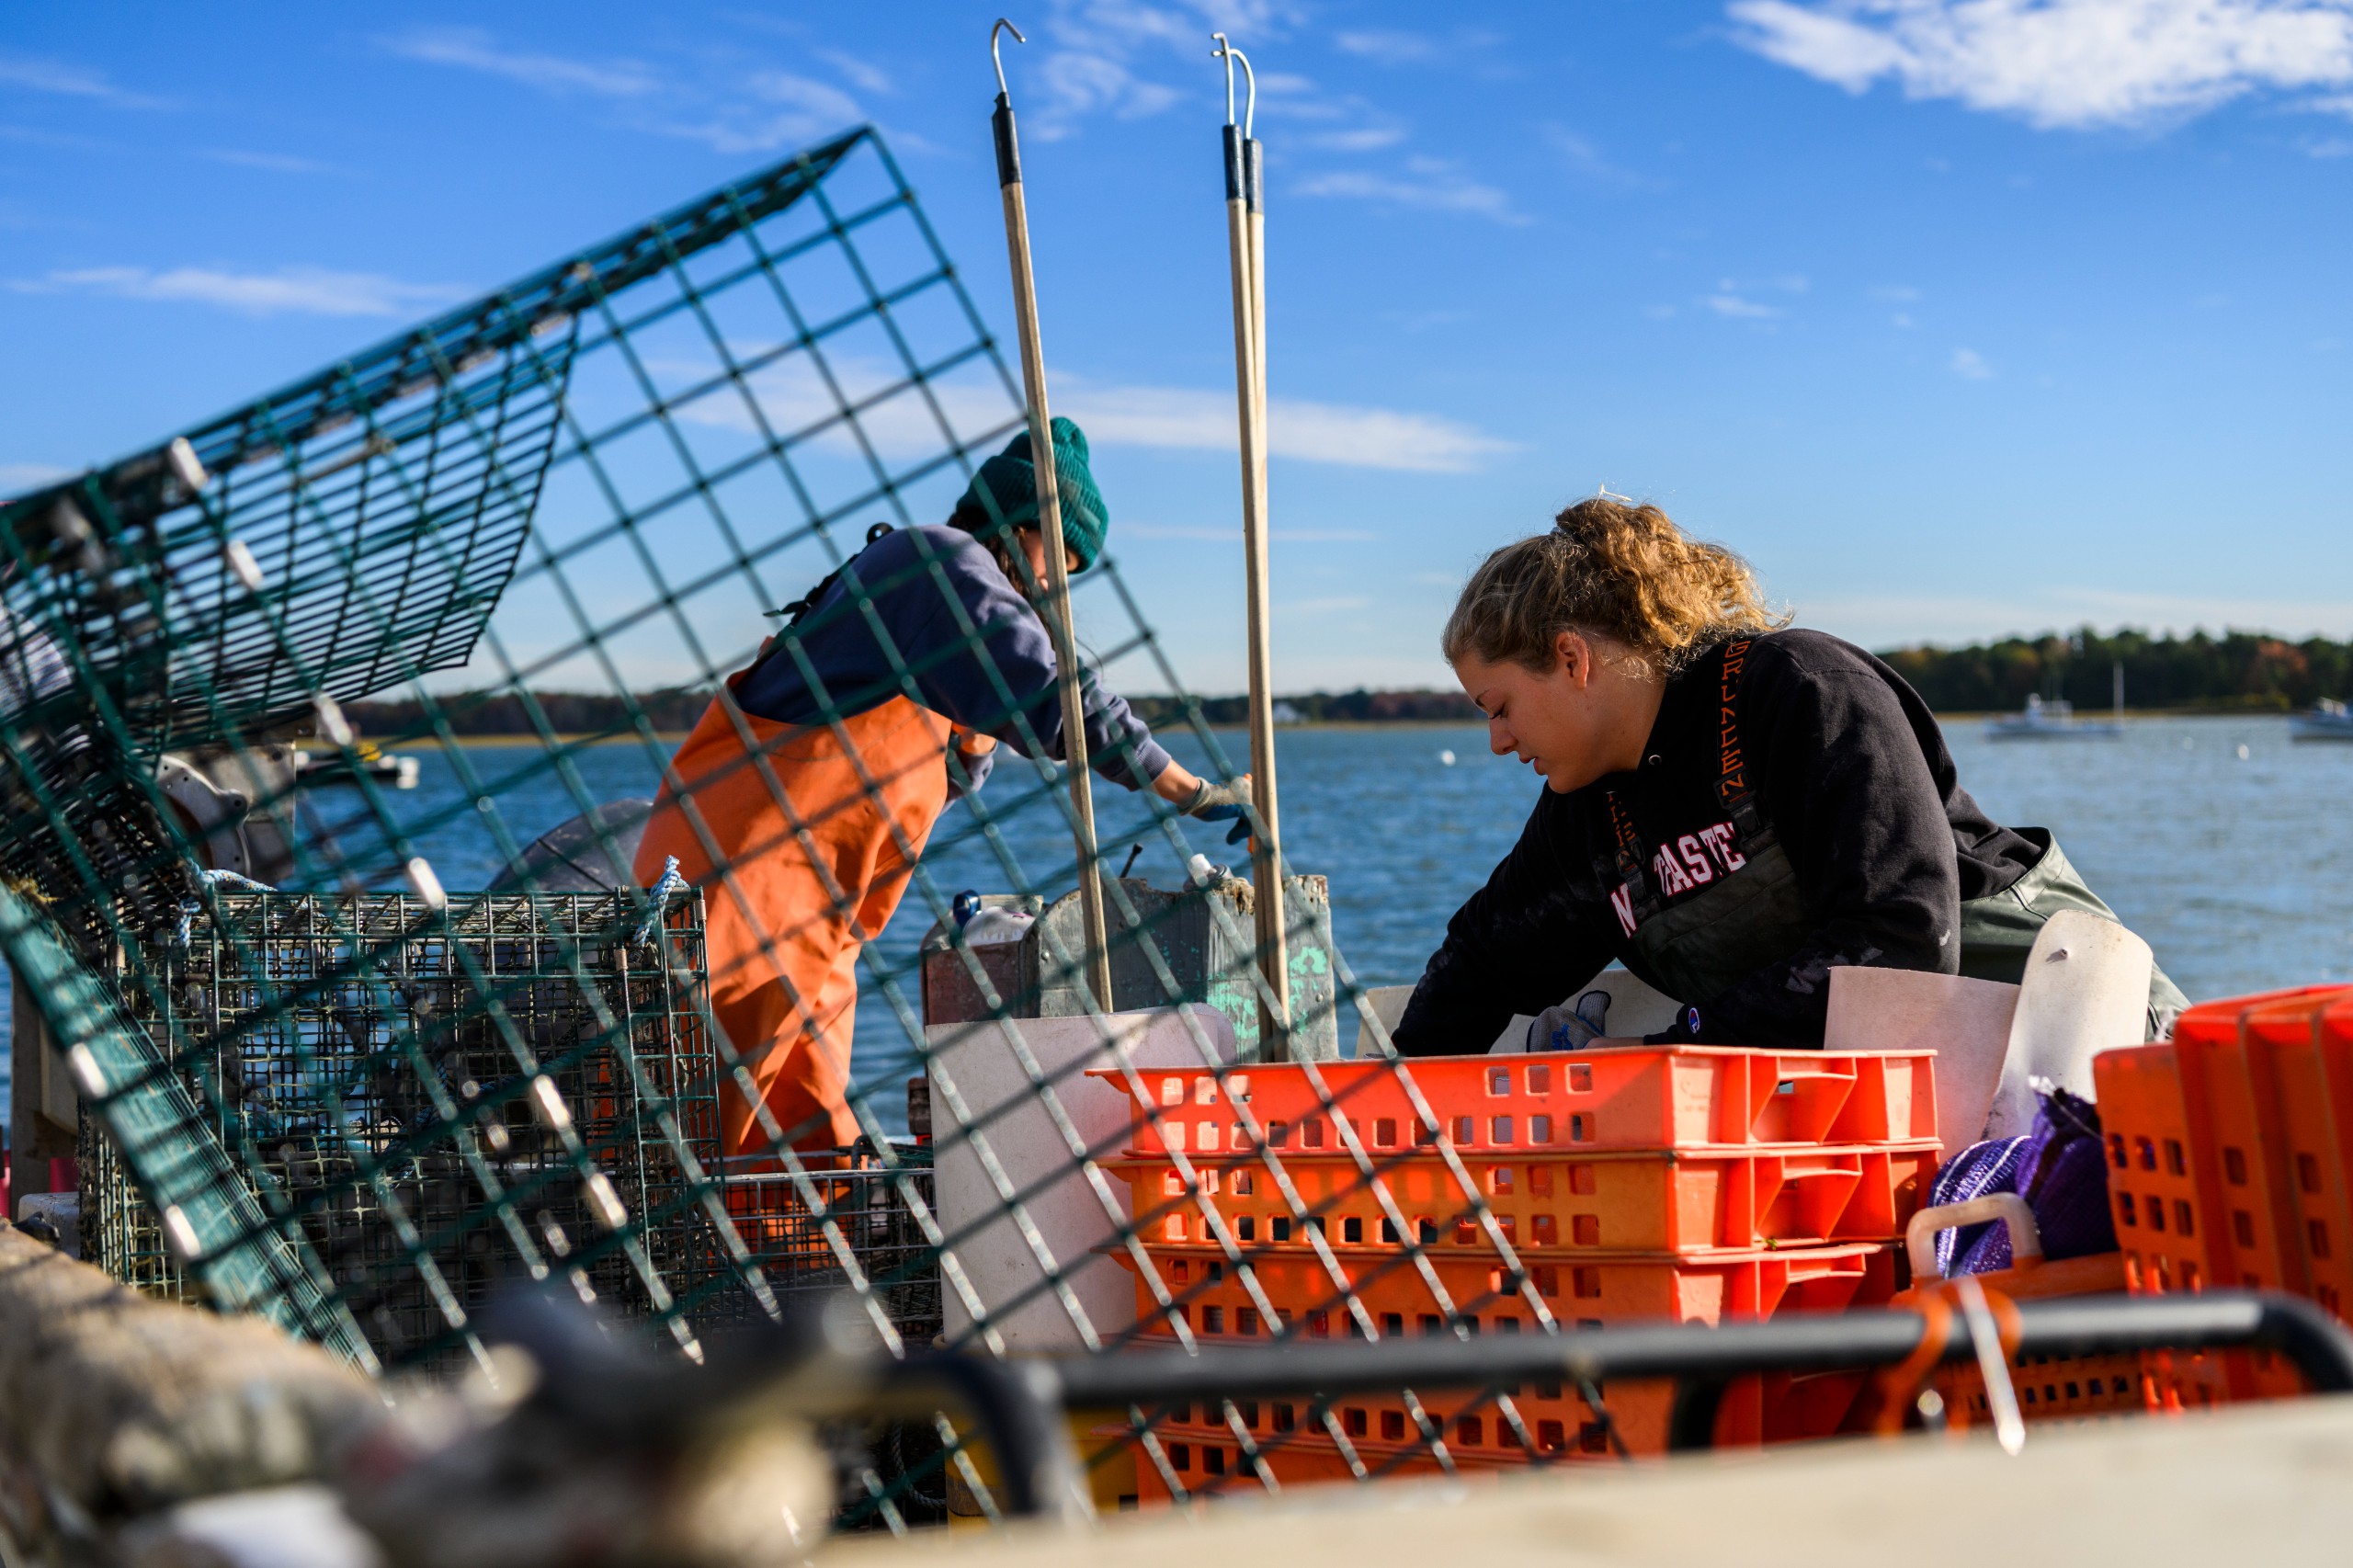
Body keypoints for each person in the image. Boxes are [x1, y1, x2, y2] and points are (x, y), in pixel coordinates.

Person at [634, 417, 1250, 1151]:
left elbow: (973, 739)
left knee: (804, 1128)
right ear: (1021, 528)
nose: (1056, 586)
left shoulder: (949, 613)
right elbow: (1063, 706)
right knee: (693, 1121)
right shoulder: (934, 563)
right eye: (1058, 560)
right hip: (738, 882)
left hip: (822, 924)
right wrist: (1191, 790)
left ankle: (792, 1261)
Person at [1392, 495, 2185, 1058]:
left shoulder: (1795, 687)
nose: (1497, 741)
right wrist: (1374, 1115)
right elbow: (1483, 962)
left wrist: (1684, 1047)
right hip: (1923, 1107)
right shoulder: (1589, 812)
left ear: (1571, 659)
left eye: (1499, 707)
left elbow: (1902, 938)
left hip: (2104, 1053)